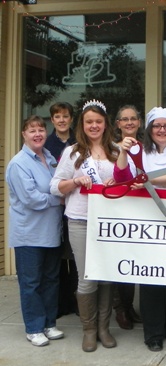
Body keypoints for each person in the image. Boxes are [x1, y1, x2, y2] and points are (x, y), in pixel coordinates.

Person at [114, 107, 166, 352]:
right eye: (157, 126)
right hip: (146, 222)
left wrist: (146, 178)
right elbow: (121, 177)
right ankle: (154, 333)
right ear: (149, 129)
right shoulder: (139, 151)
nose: (162, 130)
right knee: (149, 279)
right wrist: (122, 152)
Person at [50, 100, 122, 352]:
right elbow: (54, 186)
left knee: (105, 277)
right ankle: (89, 329)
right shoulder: (72, 152)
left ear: (105, 124)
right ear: (82, 124)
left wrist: (118, 183)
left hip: (110, 223)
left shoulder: (115, 150)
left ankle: (104, 327)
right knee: (87, 278)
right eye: (89, 121)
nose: (94, 126)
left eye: (98, 122)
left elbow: (129, 184)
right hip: (81, 220)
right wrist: (75, 181)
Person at [7, 115, 65, 347]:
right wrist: (59, 199)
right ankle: (33, 327)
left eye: (41, 129)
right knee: (31, 283)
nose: (38, 134)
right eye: (32, 130)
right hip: (29, 234)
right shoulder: (18, 163)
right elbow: (32, 199)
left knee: (51, 280)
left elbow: (58, 183)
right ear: (24, 134)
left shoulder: (49, 157)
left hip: (51, 232)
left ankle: (49, 324)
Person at [111, 105, 144, 330]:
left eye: (133, 119)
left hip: (137, 212)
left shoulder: (145, 147)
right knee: (116, 261)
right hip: (115, 211)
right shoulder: (111, 148)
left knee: (131, 261)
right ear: (118, 124)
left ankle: (129, 305)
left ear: (139, 123)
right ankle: (119, 308)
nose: (129, 122)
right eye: (125, 119)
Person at [45, 102, 78, 319]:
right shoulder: (46, 144)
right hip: (55, 206)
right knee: (58, 257)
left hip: (76, 205)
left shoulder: (79, 141)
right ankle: (60, 302)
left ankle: (75, 301)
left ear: (71, 119)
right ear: (52, 120)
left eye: (65, 116)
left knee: (74, 256)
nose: (62, 120)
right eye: (57, 117)